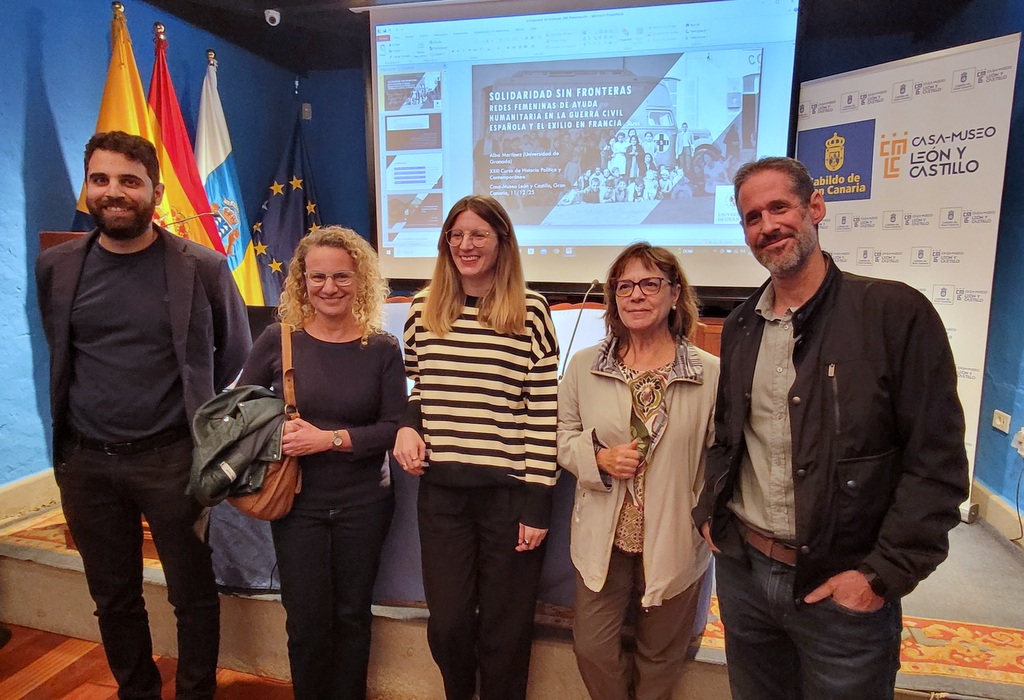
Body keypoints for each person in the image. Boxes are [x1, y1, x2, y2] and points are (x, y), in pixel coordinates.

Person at [692, 156, 969, 699]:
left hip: (841, 587)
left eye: (779, 207)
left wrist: (879, 577)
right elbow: (728, 440)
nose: (767, 225)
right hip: (746, 579)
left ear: (815, 207)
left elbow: (936, 466)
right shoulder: (743, 324)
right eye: (752, 217)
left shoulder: (894, 314)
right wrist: (709, 516)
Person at [35, 131, 251, 699]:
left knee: (192, 593)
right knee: (113, 595)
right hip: (86, 463)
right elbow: (61, 347)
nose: (114, 192)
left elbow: (232, 350)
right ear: (87, 188)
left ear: (155, 191)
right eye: (101, 179)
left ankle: (196, 692)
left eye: (129, 181)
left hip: (174, 459)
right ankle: (138, 690)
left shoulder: (200, 267)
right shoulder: (57, 267)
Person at [393, 194, 559, 700]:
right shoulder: (423, 309)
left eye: (478, 235)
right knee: (447, 625)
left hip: (509, 498)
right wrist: (407, 425)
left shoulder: (531, 312)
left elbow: (543, 415)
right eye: (456, 235)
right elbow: (420, 388)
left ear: (502, 242)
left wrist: (537, 503)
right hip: (442, 496)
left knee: (505, 633)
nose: (465, 245)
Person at [238, 226, 406, 700]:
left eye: (341, 276)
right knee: (306, 619)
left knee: (352, 616)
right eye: (318, 277)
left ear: (361, 280)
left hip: (365, 504)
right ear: (301, 282)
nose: (329, 287)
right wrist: (279, 434)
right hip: (296, 504)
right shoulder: (279, 339)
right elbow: (241, 413)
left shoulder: (382, 348)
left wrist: (328, 439)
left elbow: (395, 427)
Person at [558, 243, 718, 700]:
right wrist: (598, 460)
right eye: (624, 286)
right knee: (592, 647)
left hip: (675, 536)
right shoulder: (585, 366)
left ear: (674, 294)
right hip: (603, 536)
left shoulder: (710, 374)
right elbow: (562, 433)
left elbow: (721, 456)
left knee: (662, 653)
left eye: (650, 284)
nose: (636, 295)